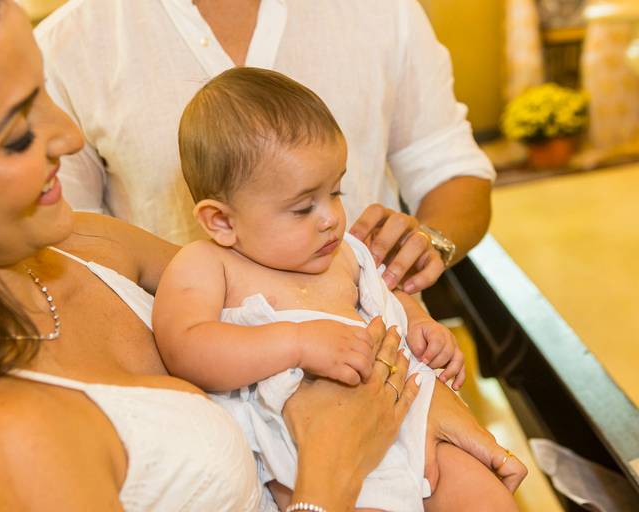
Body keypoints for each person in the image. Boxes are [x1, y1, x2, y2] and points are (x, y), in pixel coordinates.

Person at [0, 1, 525, 510]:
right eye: (16, 134)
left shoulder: (87, 246)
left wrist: (413, 383)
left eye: (43, 90)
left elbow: (291, 289)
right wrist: (329, 470)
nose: (68, 135)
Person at [152, 67, 516, 511]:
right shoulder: (208, 265)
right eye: (303, 208)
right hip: (311, 450)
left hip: (408, 413)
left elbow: (386, 295)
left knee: (486, 496)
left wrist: (420, 324)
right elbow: (185, 346)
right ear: (222, 221)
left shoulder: (345, 253)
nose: (330, 218)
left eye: (337, 191)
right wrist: (296, 342)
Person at [35, 0, 496, 294]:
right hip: (184, 381)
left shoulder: (381, 10)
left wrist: (428, 244)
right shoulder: (68, 45)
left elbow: (450, 169)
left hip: (382, 349)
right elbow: (69, 243)